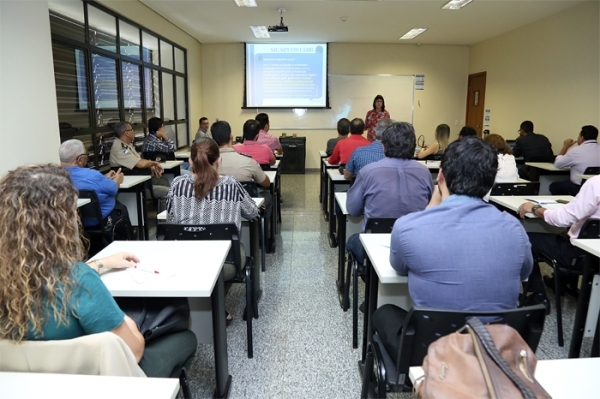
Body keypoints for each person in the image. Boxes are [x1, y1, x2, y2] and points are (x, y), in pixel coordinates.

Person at [0, 164, 197, 377]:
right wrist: (128, 323)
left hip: (27, 384)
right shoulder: (79, 281)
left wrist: (101, 263)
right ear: (59, 223)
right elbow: (133, 351)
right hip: (101, 382)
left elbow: (52, 274)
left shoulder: (11, 279)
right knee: (187, 338)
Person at [372, 137, 533, 361]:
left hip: (432, 349)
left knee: (383, 312)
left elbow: (399, 268)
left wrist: (430, 207)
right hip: (495, 351)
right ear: (490, 183)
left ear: (440, 176)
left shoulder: (408, 227)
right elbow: (523, 274)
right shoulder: (515, 228)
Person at [166, 138, 260, 320]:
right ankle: (215, 308)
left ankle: (202, 309)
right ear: (219, 160)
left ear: (191, 161)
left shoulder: (177, 184)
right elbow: (252, 212)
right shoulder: (231, 185)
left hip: (183, 261)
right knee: (234, 252)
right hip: (225, 265)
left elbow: (171, 222)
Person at [345, 122, 433, 265]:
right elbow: (431, 208)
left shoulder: (368, 171)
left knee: (351, 241)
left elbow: (353, 210)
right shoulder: (424, 173)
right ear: (413, 146)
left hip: (374, 247)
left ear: (383, 146)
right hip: (414, 247)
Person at [517, 174, 600, 308]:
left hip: (579, 256)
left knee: (523, 240)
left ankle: (538, 297)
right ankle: (561, 281)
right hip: (595, 255)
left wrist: (534, 208)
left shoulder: (596, 184)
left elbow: (561, 220)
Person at [212, 120, 273, 240]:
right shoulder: (247, 161)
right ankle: (262, 237)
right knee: (269, 197)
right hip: (245, 206)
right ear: (231, 136)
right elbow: (265, 183)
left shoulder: (206, 164)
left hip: (216, 208)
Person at [60, 139, 127, 227]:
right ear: (80, 159)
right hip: (101, 220)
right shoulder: (92, 175)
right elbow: (113, 189)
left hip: (73, 223)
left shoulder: (54, 177)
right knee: (122, 209)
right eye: (86, 155)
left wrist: (104, 177)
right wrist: (117, 180)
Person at [109, 122, 170, 199]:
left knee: (164, 181)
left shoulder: (127, 145)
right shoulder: (120, 149)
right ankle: (164, 210)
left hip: (141, 179)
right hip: (135, 187)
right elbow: (141, 164)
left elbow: (139, 160)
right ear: (127, 133)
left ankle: (160, 207)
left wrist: (150, 166)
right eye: (132, 130)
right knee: (168, 192)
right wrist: (155, 163)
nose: (133, 132)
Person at [550, 125, 600, 196]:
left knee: (554, 186)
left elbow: (557, 164)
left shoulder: (576, 151)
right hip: (597, 188)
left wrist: (565, 146)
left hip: (580, 188)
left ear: (582, 138)